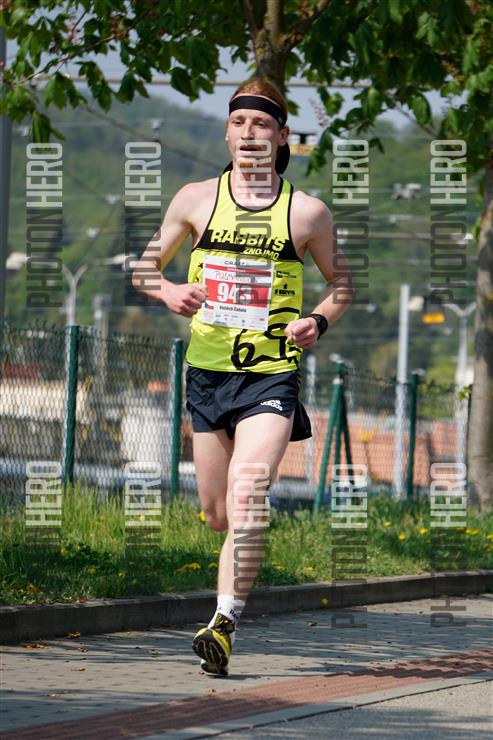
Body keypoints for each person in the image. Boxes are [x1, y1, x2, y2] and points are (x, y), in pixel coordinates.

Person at [132, 77, 353, 676]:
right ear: (227, 133)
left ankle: (223, 623)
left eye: (261, 124)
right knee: (218, 514)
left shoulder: (306, 212)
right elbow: (144, 269)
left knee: (249, 488)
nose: (249, 133)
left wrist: (316, 321)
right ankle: (240, 552)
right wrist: (168, 290)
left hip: (270, 376)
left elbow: (341, 284)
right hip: (207, 373)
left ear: (282, 136)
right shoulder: (195, 200)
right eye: (238, 123)